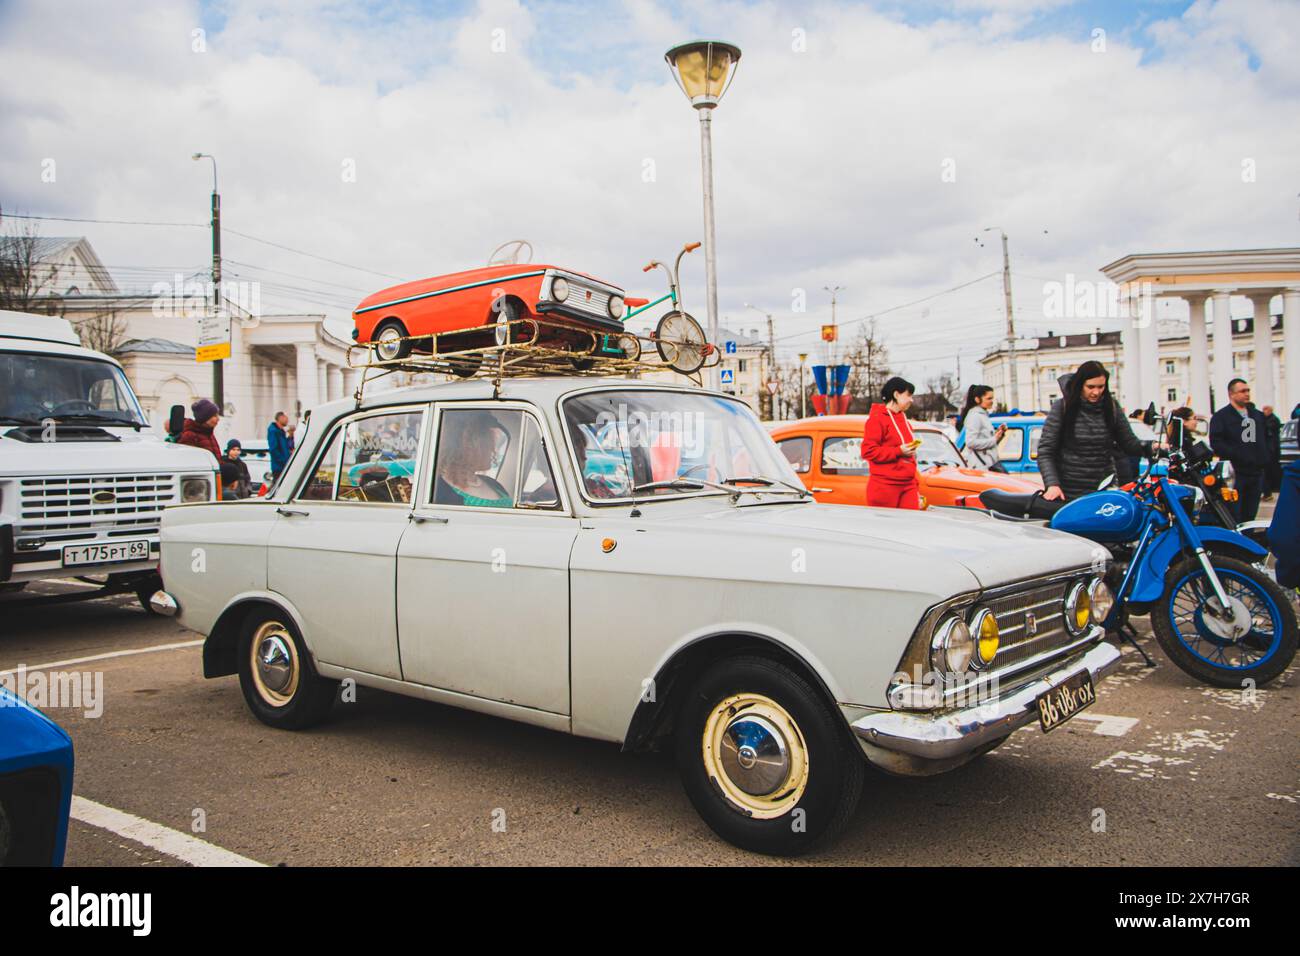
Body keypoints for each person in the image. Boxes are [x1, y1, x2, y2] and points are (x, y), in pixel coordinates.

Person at [1037, 361, 1155, 501]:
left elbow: (1129, 443)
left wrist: (1152, 446)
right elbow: (1045, 451)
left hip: (1104, 487)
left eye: (1101, 387)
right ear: (1080, 384)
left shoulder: (1112, 407)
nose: (1096, 392)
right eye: (1090, 387)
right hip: (1068, 492)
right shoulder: (1062, 407)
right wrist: (1052, 484)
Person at [1209, 379, 1269, 522]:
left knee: (1251, 513)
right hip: (1235, 474)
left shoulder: (1257, 415)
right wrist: (1238, 454)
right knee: (1235, 514)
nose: (1247, 394)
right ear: (1231, 394)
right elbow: (1217, 443)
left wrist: (1265, 457)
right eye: (1242, 391)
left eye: (1248, 391)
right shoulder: (1221, 417)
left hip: (1256, 472)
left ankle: (1248, 539)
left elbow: (1265, 439)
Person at [861, 376, 921, 509]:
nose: (911, 400)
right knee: (887, 528)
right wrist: (898, 451)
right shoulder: (877, 419)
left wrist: (916, 485)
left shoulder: (904, 420)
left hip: (908, 484)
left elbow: (910, 458)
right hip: (885, 486)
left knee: (910, 526)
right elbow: (868, 451)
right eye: (908, 395)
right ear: (896, 394)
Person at [433, 411, 512, 508]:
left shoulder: (492, 483)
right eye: (488, 441)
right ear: (470, 445)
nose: (493, 449)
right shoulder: (438, 490)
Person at [956, 384, 1006, 471]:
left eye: (992, 398)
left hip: (989, 464)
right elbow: (971, 442)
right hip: (982, 467)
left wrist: (999, 434)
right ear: (977, 399)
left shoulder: (983, 415)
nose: (992, 401)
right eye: (988, 398)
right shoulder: (975, 416)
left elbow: (988, 441)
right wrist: (994, 439)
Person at [178, 398, 222, 465]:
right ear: (205, 418)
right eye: (214, 416)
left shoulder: (209, 434)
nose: (218, 419)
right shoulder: (190, 435)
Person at [1261, 404, 1283, 501]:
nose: (1263, 412)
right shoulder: (1265, 420)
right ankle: (1267, 492)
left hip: (1272, 451)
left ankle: (1269, 492)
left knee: (1269, 472)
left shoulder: (1273, 420)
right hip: (1268, 450)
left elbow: (1269, 431)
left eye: (1265, 410)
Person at [267, 411, 292, 479]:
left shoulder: (280, 431)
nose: (287, 420)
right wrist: (284, 461)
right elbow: (273, 449)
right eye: (285, 417)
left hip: (283, 466)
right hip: (279, 468)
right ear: (280, 418)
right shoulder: (273, 431)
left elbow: (284, 447)